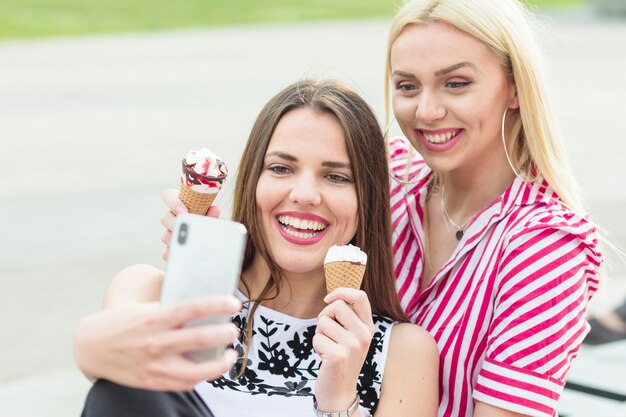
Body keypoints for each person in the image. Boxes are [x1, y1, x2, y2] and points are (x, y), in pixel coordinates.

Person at [158, 1, 604, 417]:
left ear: (514, 87)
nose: (427, 111)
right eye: (407, 85)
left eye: (457, 83)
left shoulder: (548, 248)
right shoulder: (389, 173)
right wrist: (202, 242)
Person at [75, 79, 439, 417]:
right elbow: (102, 374)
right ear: (253, 181)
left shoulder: (401, 353)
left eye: (336, 176)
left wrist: (339, 399)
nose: (304, 195)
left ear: (368, 200)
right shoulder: (150, 295)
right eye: (281, 168)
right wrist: (195, 271)